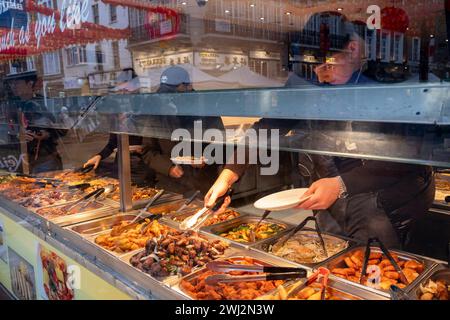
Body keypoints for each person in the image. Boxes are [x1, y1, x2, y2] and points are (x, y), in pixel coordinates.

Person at [204, 12, 435, 249]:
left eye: (327, 64)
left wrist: (341, 184)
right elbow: (268, 127)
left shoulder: (386, 83)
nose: (318, 74)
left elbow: (406, 154)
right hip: (327, 195)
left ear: (353, 49)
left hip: (384, 200)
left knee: (374, 265)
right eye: (312, 64)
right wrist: (229, 173)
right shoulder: (309, 80)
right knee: (330, 260)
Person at [141, 66, 224, 195]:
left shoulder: (206, 109)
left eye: (173, 92)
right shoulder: (157, 113)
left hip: (202, 183)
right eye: (166, 93)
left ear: (188, 86)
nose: (169, 98)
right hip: (170, 186)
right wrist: (167, 167)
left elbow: (221, 142)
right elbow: (147, 151)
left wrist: (207, 157)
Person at [83, 68, 155, 186]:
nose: (122, 95)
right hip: (121, 165)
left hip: (143, 167)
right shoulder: (117, 112)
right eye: (120, 91)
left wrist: (143, 147)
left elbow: (154, 142)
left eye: (126, 91)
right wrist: (99, 155)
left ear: (137, 89)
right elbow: (113, 143)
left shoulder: (148, 109)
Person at [5, 71, 64, 174]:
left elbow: (57, 128)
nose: (13, 86)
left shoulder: (39, 103)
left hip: (43, 158)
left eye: (17, 83)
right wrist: (18, 134)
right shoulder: (14, 104)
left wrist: (46, 135)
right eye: (12, 83)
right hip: (23, 158)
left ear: (30, 84)